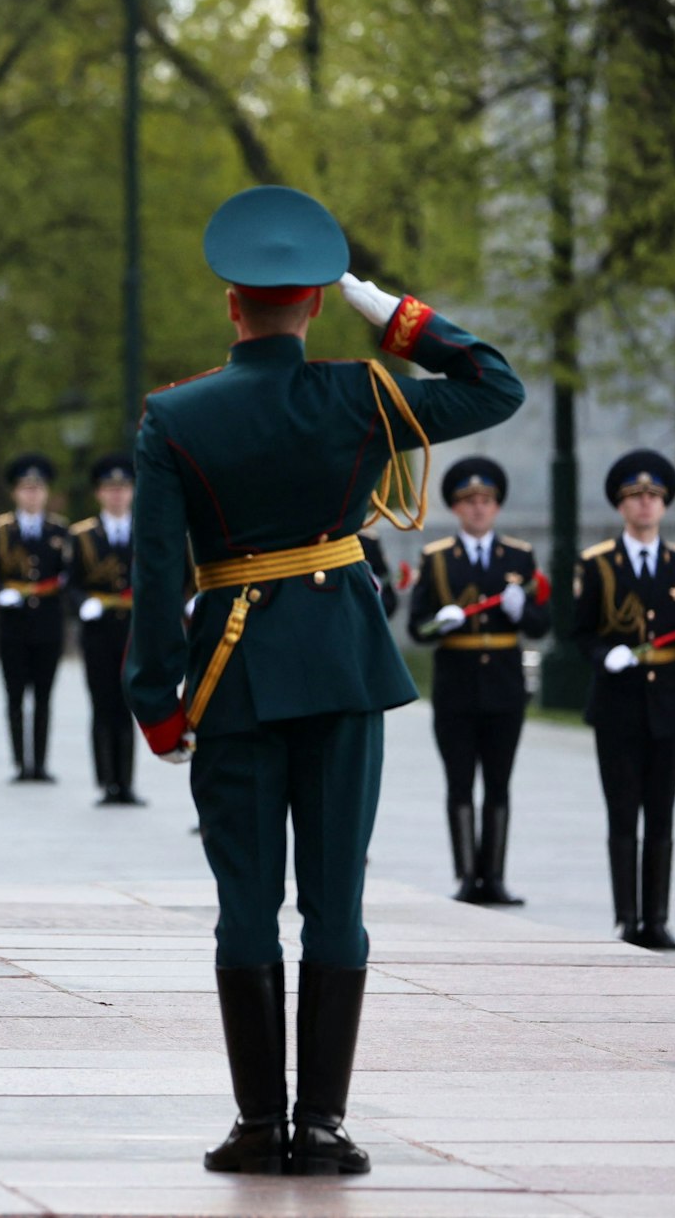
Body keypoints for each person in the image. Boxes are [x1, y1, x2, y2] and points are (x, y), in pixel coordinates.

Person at [124, 187, 524, 1175]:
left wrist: (156, 700)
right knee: (335, 899)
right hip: (343, 670)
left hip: (231, 676)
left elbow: (156, 575)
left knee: (245, 901)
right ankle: (326, 1126)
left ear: (233, 305)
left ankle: (261, 1124)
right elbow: (493, 384)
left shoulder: (174, 416)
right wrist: (389, 312)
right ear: (311, 303)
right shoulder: (360, 395)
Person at [572, 450, 675, 949]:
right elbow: (580, 631)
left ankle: (657, 919)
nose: (646, 504)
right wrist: (604, 655)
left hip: (667, 703)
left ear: (665, 504)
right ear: (621, 505)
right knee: (622, 812)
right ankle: (626, 919)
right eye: (636, 496)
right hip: (618, 703)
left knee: (661, 813)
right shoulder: (597, 563)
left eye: (654, 496)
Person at [407, 457, 551, 906]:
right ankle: (468, 875)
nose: (478, 509)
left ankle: (496, 876)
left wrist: (520, 611)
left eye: (486, 501)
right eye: (469, 502)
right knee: (459, 782)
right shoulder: (437, 558)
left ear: (496, 506)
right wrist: (440, 622)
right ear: (456, 508)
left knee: (499, 782)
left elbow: (541, 624)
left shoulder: (519, 557)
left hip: (504, 684)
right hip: (457, 683)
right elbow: (417, 628)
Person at [0, 454, 70, 783]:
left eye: (38, 489)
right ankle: (21, 762)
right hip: (13, 625)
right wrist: (0, 593)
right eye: (26, 488)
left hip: (48, 623)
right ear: (16, 493)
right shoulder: (0, 530)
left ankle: (41, 763)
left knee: (44, 696)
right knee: (15, 695)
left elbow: (69, 574)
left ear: (45, 493)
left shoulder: (60, 530)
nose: (32, 495)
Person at [71, 452, 141, 805]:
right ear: (99, 493)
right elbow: (70, 582)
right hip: (97, 632)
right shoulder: (83, 535)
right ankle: (106, 782)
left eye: (123, 488)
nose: (117, 495)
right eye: (110, 489)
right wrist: (83, 603)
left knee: (127, 706)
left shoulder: (144, 531)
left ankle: (125, 783)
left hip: (132, 629)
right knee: (102, 704)